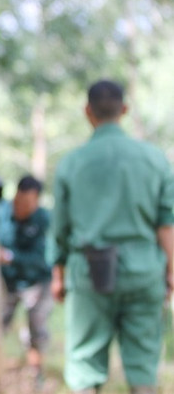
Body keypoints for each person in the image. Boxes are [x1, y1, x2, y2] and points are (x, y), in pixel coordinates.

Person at [50, 80, 174, 394]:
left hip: (89, 271)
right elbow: (166, 222)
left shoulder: (72, 163)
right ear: (125, 110)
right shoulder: (155, 159)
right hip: (144, 270)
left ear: (87, 111)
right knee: (143, 364)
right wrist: (171, 270)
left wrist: (58, 274)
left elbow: (60, 229)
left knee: (84, 366)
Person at [0, 174, 52, 385]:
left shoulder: (43, 218)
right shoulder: (1, 211)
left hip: (36, 282)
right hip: (7, 283)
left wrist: (10, 257)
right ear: (16, 196)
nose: (25, 208)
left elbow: (38, 258)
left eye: (31, 204)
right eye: (22, 202)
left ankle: (37, 375)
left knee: (36, 330)